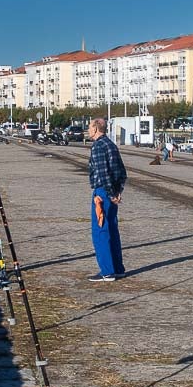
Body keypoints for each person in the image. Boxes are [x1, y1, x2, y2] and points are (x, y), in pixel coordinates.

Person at [86, 117, 126, 282]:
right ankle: (118, 268)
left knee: (100, 231)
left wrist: (110, 194)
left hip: (102, 193)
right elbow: (121, 172)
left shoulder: (98, 146)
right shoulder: (111, 145)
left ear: (96, 128)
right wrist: (118, 191)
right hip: (112, 192)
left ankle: (107, 271)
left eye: (89, 127)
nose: (88, 130)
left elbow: (103, 174)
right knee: (112, 230)